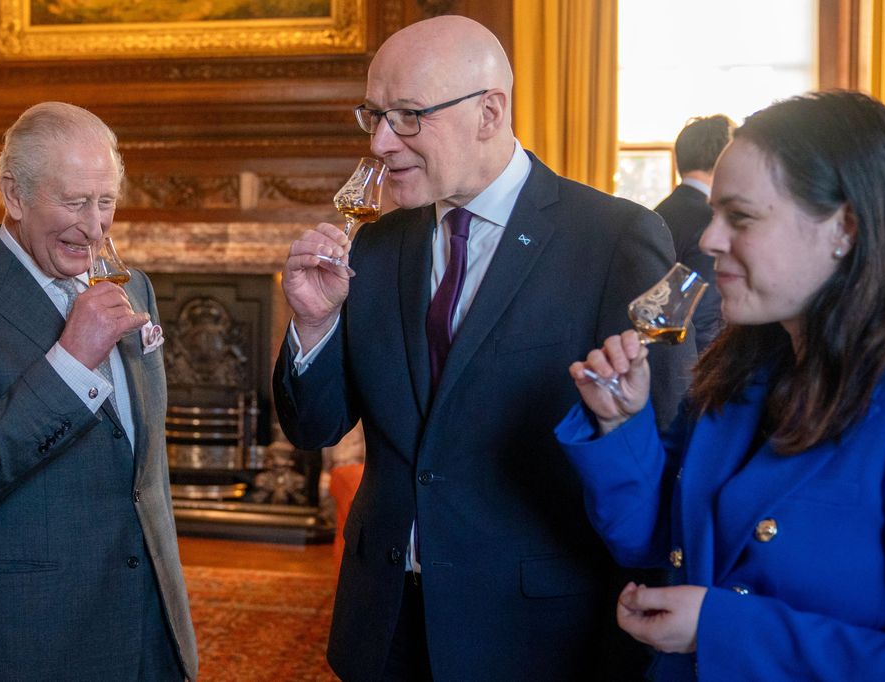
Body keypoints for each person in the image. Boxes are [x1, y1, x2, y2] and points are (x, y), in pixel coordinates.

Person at [273, 15, 696, 681]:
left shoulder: (613, 238)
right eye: (374, 115)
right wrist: (313, 326)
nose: (382, 142)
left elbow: (667, 440)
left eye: (408, 116)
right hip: (383, 628)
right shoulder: (376, 247)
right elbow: (314, 426)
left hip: (538, 636)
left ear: (490, 111)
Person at [556, 90, 885, 680]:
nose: (710, 239)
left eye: (740, 218)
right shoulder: (741, 370)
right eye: (715, 212)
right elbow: (652, 543)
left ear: (844, 227)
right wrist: (621, 423)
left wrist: (721, 629)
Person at [0, 102, 198, 681]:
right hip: (29, 635)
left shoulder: (133, 286)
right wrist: (72, 359)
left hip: (148, 624)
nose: (94, 225)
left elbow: (138, 463)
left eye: (105, 201)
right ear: (14, 194)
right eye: (73, 201)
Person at [653, 114, 734, 352]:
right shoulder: (708, 220)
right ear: (723, 157)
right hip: (694, 365)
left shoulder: (658, 212)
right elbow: (704, 317)